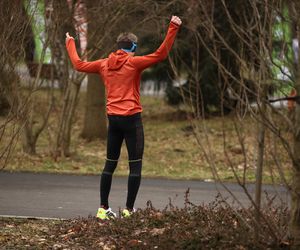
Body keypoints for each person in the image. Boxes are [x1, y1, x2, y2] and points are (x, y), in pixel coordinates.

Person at [65, 15, 182, 219]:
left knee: (109, 164)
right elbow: (161, 54)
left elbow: (78, 64)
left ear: (118, 46)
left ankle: (103, 209)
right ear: (133, 47)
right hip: (131, 119)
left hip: (113, 121)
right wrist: (173, 27)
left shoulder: (103, 64)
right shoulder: (134, 63)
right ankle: (128, 210)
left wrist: (70, 42)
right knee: (135, 165)